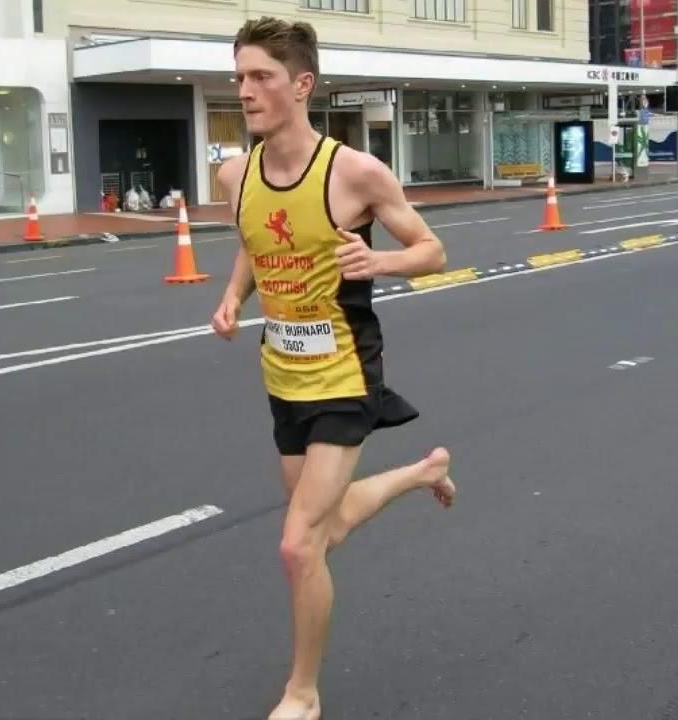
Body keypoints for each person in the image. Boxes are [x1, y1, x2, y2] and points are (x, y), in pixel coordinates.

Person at [209, 16, 457, 720]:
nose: (245, 90)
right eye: (240, 77)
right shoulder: (234, 175)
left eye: (261, 76)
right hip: (283, 373)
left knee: (298, 547)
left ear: (302, 85)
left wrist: (379, 259)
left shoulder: (354, 173)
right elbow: (257, 241)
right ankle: (423, 473)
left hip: (347, 372)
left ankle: (303, 693)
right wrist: (231, 297)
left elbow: (433, 251)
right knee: (329, 527)